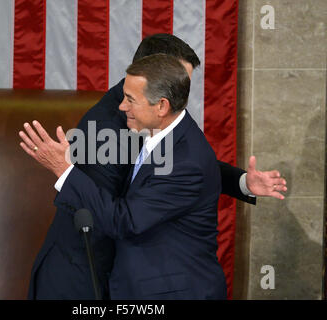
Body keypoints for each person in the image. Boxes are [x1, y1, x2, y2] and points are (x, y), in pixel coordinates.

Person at [21, 34, 287, 299]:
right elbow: (103, 215)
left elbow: (178, 163)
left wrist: (240, 183)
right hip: (81, 274)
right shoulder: (110, 125)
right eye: (174, 79)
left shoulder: (161, 108)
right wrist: (63, 169)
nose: (181, 91)